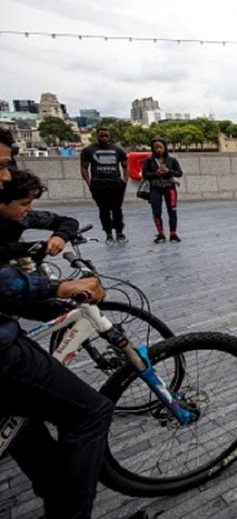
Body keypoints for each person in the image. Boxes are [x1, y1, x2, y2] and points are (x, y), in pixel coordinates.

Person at [0, 133, 114, 519]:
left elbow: (62, 221)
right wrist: (60, 286)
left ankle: (54, 492)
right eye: (0, 165)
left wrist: (54, 238)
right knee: (91, 413)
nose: (5, 175)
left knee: (23, 425)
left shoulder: (22, 215)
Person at [0, 168, 78, 264]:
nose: (29, 209)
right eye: (24, 204)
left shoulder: (25, 217)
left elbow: (68, 221)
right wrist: (34, 248)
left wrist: (60, 237)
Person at [80, 128, 128, 243]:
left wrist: (124, 181)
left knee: (117, 209)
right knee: (103, 210)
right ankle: (108, 233)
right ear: (97, 136)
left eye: (106, 136)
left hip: (115, 184)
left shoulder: (118, 149)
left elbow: (125, 165)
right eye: (102, 136)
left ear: (110, 136)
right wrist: (88, 181)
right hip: (98, 185)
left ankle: (119, 232)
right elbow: (84, 167)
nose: (104, 138)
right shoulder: (89, 150)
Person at [142, 138, 183, 243]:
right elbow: (145, 174)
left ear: (165, 148)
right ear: (153, 149)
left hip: (169, 187)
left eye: (161, 147)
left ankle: (173, 233)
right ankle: (160, 234)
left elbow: (179, 173)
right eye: (156, 147)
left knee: (172, 210)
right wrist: (155, 173)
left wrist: (169, 171)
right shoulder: (148, 160)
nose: (159, 149)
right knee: (156, 211)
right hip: (155, 187)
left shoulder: (172, 160)